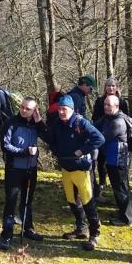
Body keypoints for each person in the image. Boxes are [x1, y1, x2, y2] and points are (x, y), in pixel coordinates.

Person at [41, 95, 105, 250]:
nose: (62, 112)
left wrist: (82, 150)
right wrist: (38, 123)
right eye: (60, 109)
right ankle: (81, 228)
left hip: (81, 169)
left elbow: (99, 138)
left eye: (65, 109)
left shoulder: (80, 122)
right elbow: (50, 139)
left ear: (72, 109)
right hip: (66, 168)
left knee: (88, 202)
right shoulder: (57, 123)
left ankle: (94, 234)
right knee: (72, 200)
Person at [0, 97, 47, 250]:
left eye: (28, 109)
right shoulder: (11, 122)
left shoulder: (36, 125)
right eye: (22, 107)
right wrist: (23, 151)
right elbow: (5, 146)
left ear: (34, 111)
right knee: (11, 201)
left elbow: (48, 137)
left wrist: (40, 123)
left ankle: (28, 229)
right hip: (14, 169)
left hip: (31, 170)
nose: (24, 110)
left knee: (27, 201)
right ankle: (6, 234)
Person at [95, 95, 132, 226]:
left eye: (109, 105)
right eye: (105, 104)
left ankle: (126, 219)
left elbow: (101, 138)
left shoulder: (117, 122)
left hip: (119, 160)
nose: (106, 107)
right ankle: (124, 213)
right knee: (119, 188)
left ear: (117, 106)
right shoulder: (110, 117)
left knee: (121, 189)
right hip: (113, 158)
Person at [94, 78, 131, 198]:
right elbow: (96, 117)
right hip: (101, 132)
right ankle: (102, 183)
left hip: (117, 136)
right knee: (101, 161)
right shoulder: (99, 101)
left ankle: (122, 195)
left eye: (113, 86)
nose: (111, 88)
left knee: (118, 170)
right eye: (109, 86)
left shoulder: (122, 102)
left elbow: (125, 118)